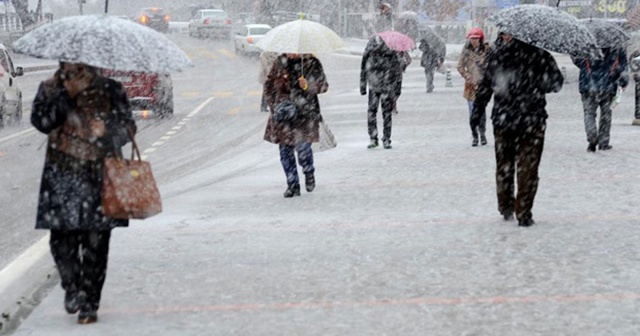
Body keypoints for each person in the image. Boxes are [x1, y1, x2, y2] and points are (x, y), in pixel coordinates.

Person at [31, 62, 136, 323]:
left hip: (99, 177)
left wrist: (105, 133)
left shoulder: (110, 89)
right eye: (68, 61)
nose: (73, 65)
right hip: (61, 176)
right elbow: (41, 122)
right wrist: (66, 98)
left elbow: (128, 127)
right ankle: (72, 286)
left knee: (96, 244)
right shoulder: (50, 89)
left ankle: (90, 302)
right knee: (60, 240)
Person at [472, 34, 564, 227]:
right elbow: (556, 84)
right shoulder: (542, 56)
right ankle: (524, 212)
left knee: (504, 164)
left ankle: (506, 206)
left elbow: (486, 86)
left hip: (504, 119)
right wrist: (537, 82)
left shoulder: (500, 55)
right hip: (532, 119)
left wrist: (477, 111)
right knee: (528, 168)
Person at [263, 53, 328, 198]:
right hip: (284, 116)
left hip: (305, 115)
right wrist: (275, 105)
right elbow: (268, 86)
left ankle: (308, 171)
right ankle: (292, 184)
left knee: (303, 149)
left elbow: (323, 86)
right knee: (285, 151)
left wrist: (308, 86)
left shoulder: (312, 62)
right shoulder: (280, 62)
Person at [572, 47, 629, 152]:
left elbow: (576, 58)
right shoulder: (616, 45)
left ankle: (592, 138)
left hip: (588, 84)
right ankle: (604, 142)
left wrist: (584, 64)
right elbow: (623, 65)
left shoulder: (585, 44)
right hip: (608, 85)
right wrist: (623, 81)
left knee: (589, 113)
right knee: (606, 116)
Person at [360, 35, 403, 149]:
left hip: (374, 86)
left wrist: (363, 86)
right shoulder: (390, 52)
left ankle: (373, 138)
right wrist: (397, 89)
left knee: (372, 112)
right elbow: (397, 72)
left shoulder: (369, 51)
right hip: (386, 87)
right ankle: (386, 139)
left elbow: (363, 69)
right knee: (387, 113)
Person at [457, 27, 491, 147]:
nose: (474, 41)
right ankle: (474, 135)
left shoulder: (487, 50)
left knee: (482, 112)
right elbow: (460, 66)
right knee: (473, 112)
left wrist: (485, 70)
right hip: (470, 86)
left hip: (483, 85)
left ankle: (483, 133)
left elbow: (493, 64)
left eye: (476, 39)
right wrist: (467, 75)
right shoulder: (466, 51)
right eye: (472, 39)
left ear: (480, 39)